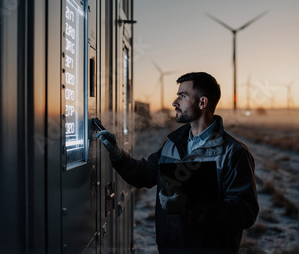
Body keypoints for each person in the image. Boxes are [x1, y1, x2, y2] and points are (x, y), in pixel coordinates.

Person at [95, 72, 259, 254]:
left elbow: (245, 212)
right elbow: (144, 175)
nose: (174, 102)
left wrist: (189, 206)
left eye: (182, 96)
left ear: (202, 103)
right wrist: (116, 153)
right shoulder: (172, 144)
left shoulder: (234, 153)